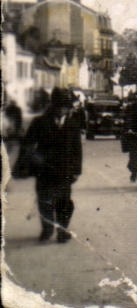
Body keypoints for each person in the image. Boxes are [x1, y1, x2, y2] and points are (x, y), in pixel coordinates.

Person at [20, 88, 83, 242]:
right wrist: (34, 160)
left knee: (64, 203)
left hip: (65, 171)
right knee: (45, 201)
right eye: (60, 106)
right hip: (45, 170)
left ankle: (62, 231)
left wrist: (76, 170)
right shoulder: (40, 122)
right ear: (53, 106)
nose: (63, 109)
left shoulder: (73, 124)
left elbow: (77, 150)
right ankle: (47, 229)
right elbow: (28, 145)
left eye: (66, 106)